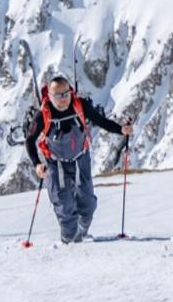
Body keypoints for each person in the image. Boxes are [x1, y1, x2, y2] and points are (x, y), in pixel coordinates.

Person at [25, 74, 133, 243]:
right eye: (58, 96)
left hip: (80, 159)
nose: (63, 99)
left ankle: (81, 232)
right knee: (64, 205)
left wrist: (121, 130)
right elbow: (30, 140)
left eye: (66, 94)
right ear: (50, 96)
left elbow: (101, 121)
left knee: (88, 204)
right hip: (56, 163)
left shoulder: (79, 105)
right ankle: (69, 241)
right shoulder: (43, 115)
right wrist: (37, 164)